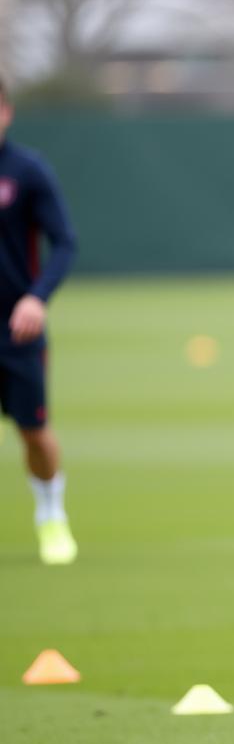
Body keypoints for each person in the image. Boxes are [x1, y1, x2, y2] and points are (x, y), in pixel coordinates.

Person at [0, 77, 78, 563]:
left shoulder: (26, 171)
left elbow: (64, 242)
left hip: (16, 329)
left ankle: (51, 510)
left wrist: (37, 298)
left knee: (33, 431)